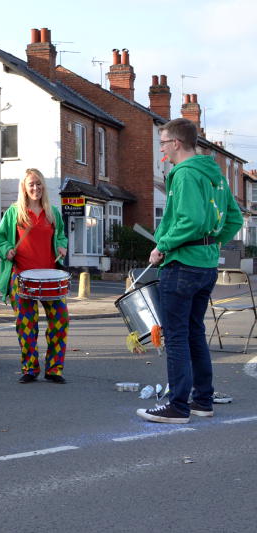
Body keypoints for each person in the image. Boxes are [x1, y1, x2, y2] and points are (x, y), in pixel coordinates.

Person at [136, 118, 242, 424]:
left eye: (163, 144)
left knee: (178, 337)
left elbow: (191, 221)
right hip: (206, 265)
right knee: (195, 333)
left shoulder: (183, 174)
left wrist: (163, 246)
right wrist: (210, 243)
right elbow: (233, 219)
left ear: (177, 143)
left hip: (181, 265)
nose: (162, 151)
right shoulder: (214, 175)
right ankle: (202, 401)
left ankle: (178, 406)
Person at [0, 168, 69, 384]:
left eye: (39, 184)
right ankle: (30, 368)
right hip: (21, 277)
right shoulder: (14, 212)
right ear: (24, 187)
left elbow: (60, 236)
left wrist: (61, 246)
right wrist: (7, 249)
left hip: (50, 277)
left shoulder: (53, 213)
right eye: (31, 184)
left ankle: (54, 369)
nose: (36, 188)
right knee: (26, 324)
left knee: (60, 319)